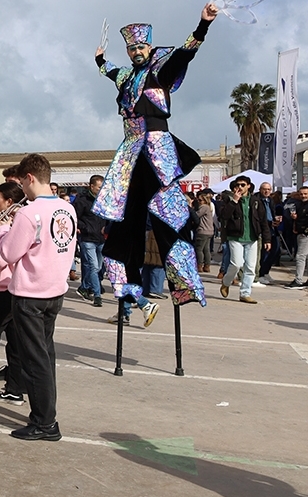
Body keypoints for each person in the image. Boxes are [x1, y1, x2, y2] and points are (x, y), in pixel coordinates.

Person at [93, 4, 216, 312]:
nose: (136, 51)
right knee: (124, 221)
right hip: (131, 154)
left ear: (149, 46)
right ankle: (129, 290)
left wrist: (203, 25)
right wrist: (99, 59)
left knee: (170, 217)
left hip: (157, 151)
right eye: (131, 47)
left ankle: (184, 284)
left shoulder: (160, 69)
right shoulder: (124, 76)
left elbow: (185, 53)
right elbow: (108, 70)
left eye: (140, 46)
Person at [0, 154, 73, 442]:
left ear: (29, 178)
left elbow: (9, 253)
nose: (20, 191)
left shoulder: (29, 212)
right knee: (45, 355)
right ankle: (46, 414)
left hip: (30, 293)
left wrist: (3, 231)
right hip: (54, 290)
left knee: (35, 359)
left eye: (20, 183)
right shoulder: (67, 208)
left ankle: (44, 421)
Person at [0, 181, 29, 405]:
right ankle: (14, 388)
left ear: (9, 201)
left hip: (4, 287)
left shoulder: (12, 223)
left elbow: (1, 257)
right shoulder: (21, 221)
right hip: (16, 287)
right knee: (15, 342)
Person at [217, 176, 270, 303]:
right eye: (237, 185)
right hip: (235, 237)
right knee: (236, 264)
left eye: (242, 185)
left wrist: (267, 239)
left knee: (250, 267)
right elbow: (223, 216)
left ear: (248, 186)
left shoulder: (255, 201)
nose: (239, 187)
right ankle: (226, 282)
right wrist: (234, 201)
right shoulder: (230, 200)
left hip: (252, 237)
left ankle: (245, 293)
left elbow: (263, 222)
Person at [74, 175, 108, 307]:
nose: (101, 190)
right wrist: (84, 227)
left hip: (100, 238)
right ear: (92, 186)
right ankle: (97, 295)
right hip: (87, 238)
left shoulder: (104, 200)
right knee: (93, 266)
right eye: (99, 187)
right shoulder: (82, 201)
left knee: (99, 267)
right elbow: (75, 216)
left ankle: (84, 287)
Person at [255, 182, 280, 285]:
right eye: (265, 189)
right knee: (264, 253)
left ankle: (266, 272)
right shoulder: (257, 200)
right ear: (260, 189)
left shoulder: (270, 200)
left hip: (272, 229)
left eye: (269, 189)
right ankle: (260, 274)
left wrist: (276, 219)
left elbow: (271, 213)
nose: (267, 191)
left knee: (275, 250)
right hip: (262, 229)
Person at [286, 186, 308, 288]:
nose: (303, 196)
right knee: (303, 257)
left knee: (300, 257)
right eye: (301, 194)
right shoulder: (300, 204)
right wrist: (295, 219)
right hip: (300, 232)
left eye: (305, 194)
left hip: (305, 234)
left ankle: (298, 280)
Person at [193, 189, 216, 274]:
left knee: (199, 249)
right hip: (209, 231)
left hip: (203, 230)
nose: (198, 201)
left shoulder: (203, 207)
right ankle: (207, 265)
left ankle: (199, 265)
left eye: (200, 200)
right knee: (206, 249)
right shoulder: (208, 207)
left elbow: (196, 215)